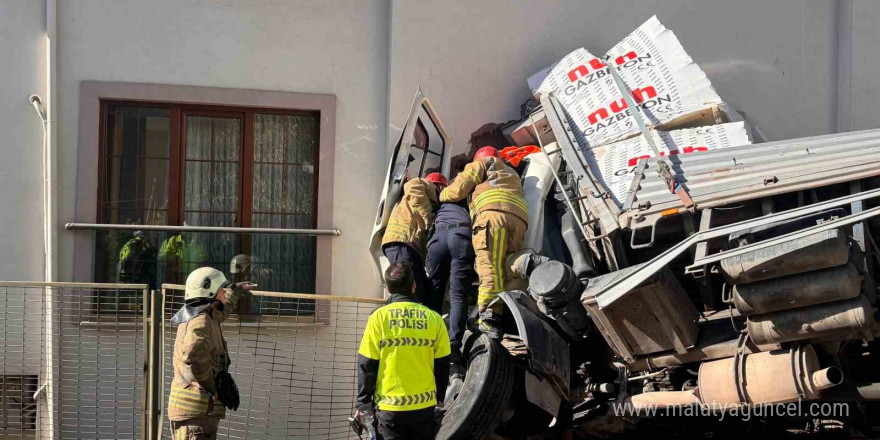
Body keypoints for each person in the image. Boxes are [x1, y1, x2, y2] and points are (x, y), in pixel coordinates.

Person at [439, 146, 529, 339]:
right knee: (506, 266)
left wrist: (441, 194)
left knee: (488, 267)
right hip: (519, 221)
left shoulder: (481, 163)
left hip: (492, 217)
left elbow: (457, 191)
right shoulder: (511, 172)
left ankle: (489, 319)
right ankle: (526, 262)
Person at [355, 261, 451, 439]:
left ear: (389, 289)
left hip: (390, 411)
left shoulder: (378, 318)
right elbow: (443, 364)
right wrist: (438, 400)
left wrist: (363, 404)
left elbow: (367, 363)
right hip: (424, 409)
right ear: (414, 286)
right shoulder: (435, 319)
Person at [167, 267, 253, 439]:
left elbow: (222, 312)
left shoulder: (205, 315)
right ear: (210, 291)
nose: (224, 292)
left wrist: (235, 292)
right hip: (195, 415)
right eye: (222, 289)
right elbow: (193, 354)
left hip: (200, 414)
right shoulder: (200, 320)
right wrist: (212, 386)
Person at [425, 155, 476, 375]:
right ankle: (454, 345)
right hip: (461, 237)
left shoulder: (435, 203)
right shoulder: (463, 196)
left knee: (434, 294)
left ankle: (429, 342)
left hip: (437, 241)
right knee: (457, 296)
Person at [381, 172, 448, 310]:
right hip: (404, 243)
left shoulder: (411, 200)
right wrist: (429, 218)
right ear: (440, 187)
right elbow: (412, 185)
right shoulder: (427, 185)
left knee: (420, 289)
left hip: (402, 245)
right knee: (412, 293)